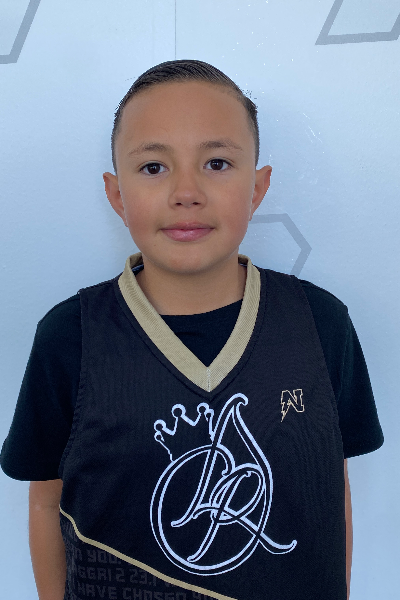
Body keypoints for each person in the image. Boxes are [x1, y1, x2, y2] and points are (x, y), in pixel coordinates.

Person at [0, 59, 383, 600]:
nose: (186, 191)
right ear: (116, 194)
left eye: (217, 163)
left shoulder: (321, 324)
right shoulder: (70, 336)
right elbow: (45, 500)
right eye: (154, 167)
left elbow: (330, 488)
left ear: (258, 187)